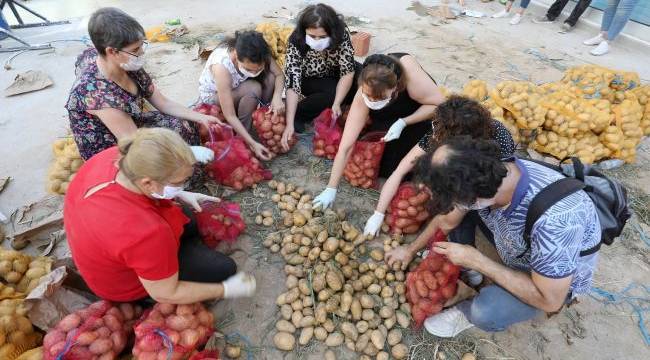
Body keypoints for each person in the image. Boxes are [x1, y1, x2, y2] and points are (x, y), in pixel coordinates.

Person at [400, 136, 600, 336]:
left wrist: (478, 261)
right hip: (515, 243)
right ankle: (468, 284)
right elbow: (446, 220)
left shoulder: (555, 222)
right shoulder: (485, 172)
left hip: (548, 282)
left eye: (457, 199)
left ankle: (467, 310)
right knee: (457, 221)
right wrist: (410, 250)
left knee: (485, 312)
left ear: (475, 196)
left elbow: (550, 300)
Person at [64, 128, 256, 303]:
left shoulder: (120, 157)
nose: (184, 185)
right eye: (180, 182)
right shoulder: (145, 231)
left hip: (108, 246)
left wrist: (179, 193)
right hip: (125, 285)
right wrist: (224, 290)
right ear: (148, 183)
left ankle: (173, 255)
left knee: (190, 216)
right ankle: (170, 264)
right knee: (224, 269)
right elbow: (165, 293)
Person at [66, 7, 220, 162]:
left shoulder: (126, 64)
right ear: (112, 52)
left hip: (131, 124)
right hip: (115, 148)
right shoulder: (99, 96)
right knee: (166, 154)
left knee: (184, 124)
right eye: (135, 49)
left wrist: (201, 117)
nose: (141, 52)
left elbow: (163, 102)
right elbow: (135, 145)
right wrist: (186, 151)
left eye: (141, 45)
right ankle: (176, 181)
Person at [363, 96, 516, 241]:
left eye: (438, 128)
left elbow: (489, 192)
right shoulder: (439, 133)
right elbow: (401, 170)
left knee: (460, 227)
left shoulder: (499, 143)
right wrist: (378, 213)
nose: (434, 131)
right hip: (463, 183)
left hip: (486, 193)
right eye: (435, 125)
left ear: (458, 140)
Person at [312, 53, 446, 210]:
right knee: (382, 160)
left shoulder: (412, 81)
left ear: (395, 88)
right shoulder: (364, 91)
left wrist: (404, 122)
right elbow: (346, 145)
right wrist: (331, 188)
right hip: (389, 115)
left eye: (380, 97)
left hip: (420, 112)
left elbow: (440, 105)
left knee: (408, 166)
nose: (372, 101)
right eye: (368, 96)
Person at [281, 3, 359, 150]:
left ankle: (336, 105)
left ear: (332, 33)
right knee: (331, 93)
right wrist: (289, 123)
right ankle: (299, 113)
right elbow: (292, 82)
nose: (316, 40)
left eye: (322, 37)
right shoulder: (296, 41)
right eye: (311, 36)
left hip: (334, 72)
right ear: (304, 31)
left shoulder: (341, 35)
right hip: (309, 78)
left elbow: (347, 71)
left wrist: (337, 103)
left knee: (361, 78)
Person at [198, 30, 285, 160]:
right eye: (249, 69)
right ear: (236, 55)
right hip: (215, 98)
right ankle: (246, 135)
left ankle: (262, 116)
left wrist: (277, 97)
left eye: (258, 69)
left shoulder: (260, 53)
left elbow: (279, 75)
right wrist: (252, 143)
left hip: (239, 88)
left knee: (270, 77)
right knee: (253, 88)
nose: (254, 73)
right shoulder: (221, 67)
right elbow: (230, 115)